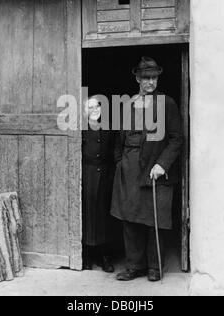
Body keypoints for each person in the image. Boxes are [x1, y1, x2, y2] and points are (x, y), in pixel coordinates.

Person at [111, 56, 183, 282]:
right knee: (129, 218)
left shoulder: (167, 103)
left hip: (154, 167)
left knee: (154, 219)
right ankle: (134, 266)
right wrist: (119, 162)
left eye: (153, 78)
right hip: (129, 167)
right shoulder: (128, 103)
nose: (150, 82)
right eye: (145, 78)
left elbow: (176, 138)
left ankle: (155, 267)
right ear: (137, 78)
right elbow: (119, 137)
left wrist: (162, 164)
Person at [82, 95, 115, 273]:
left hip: (105, 176)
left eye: (97, 107)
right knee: (87, 214)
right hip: (86, 175)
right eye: (90, 107)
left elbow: (113, 151)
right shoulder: (80, 129)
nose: (94, 110)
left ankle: (105, 256)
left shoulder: (108, 128)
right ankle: (87, 255)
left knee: (103, 215)